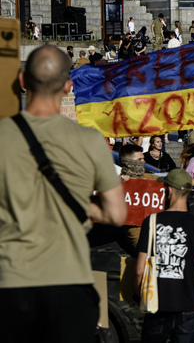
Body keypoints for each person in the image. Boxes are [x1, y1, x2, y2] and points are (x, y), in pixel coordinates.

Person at [0, 45, 127, 342]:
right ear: (69, 86)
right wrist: (85, 205)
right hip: (70, 284)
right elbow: (117, 214)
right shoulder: (90, 140)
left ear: (21, 81)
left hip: (11, 283)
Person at [135, 169, 194, 343]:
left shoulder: (151, 221)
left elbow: (140, 271)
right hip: (188, 306)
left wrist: (137, 295)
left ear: (168, 190)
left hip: (157, 305)